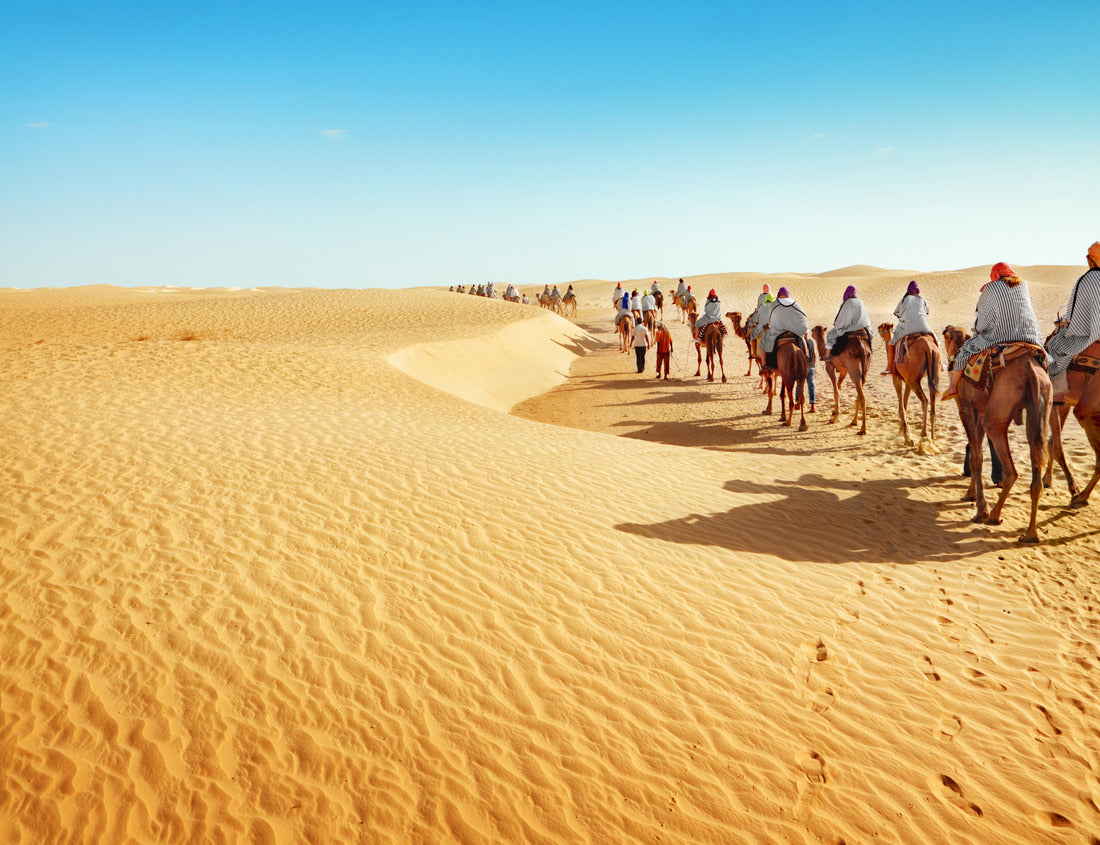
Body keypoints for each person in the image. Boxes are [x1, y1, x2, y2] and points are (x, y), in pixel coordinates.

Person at [942, 262, 1045, 400]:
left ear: (995, 275)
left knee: (966, 350)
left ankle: (952, 387)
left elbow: (983, 316)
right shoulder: (1023, 284)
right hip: (1031, 338)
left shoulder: (991, 287)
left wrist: (979, 330)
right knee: (1048, 358)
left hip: (1000, 338)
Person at [1046, 241, 1100, 395]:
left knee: (1056, 346)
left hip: (1089, 332)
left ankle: (1056, 391)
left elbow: (1076, 312)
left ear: (1091, 260)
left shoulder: (1088, 278)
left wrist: (1066, 321)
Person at [884, 280, 935, 374]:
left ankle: (889, 367)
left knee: (892, 343)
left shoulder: (904, 299)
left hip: (907, 327)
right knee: (935, 340)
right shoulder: (922, 299)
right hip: (923, 326)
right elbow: (927, 312)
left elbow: (897, 313)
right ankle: (941, 364)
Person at [762, 287, 809, 369]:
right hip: (794, 330)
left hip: (778, 330)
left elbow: (770, 317)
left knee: (763, 342)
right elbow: (803, 316)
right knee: (805, 341)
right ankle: (807, 359)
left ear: (779, 294)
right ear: (788, 294)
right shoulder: (795, 303)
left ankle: (765, 365)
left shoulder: (775, 303)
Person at [826, 285, 873, 355]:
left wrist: (837, 324)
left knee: (830, 335)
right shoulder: (860, 301)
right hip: (863, 327)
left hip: (850, 328)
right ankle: (871, 352)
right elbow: (865, 316)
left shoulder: (847, 302)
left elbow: (843, 317)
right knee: (869, 338)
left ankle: (827, 355)